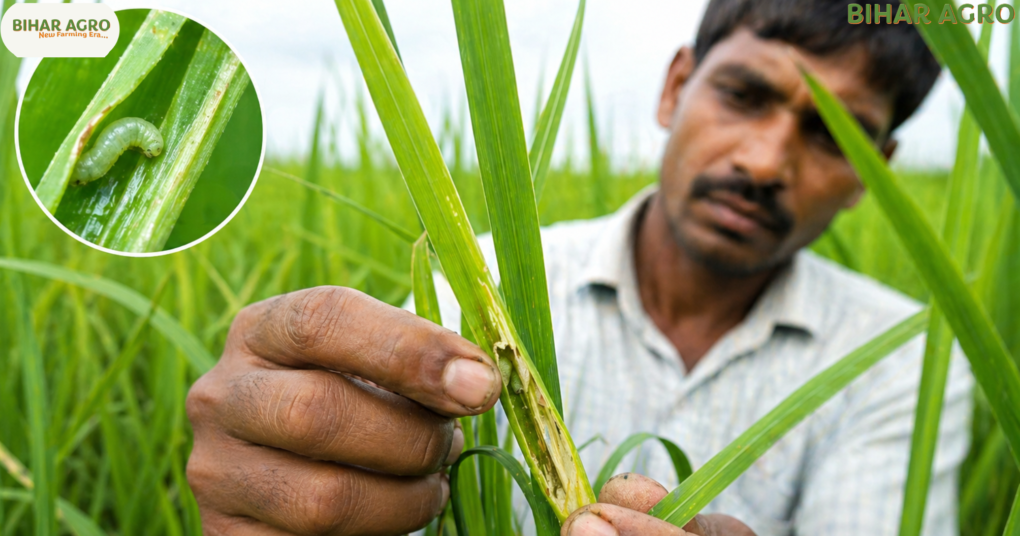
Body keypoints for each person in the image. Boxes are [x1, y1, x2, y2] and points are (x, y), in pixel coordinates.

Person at [184, 0, 974, 534]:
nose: (765, 160)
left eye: (833, 132)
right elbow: (350, 474)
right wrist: (285, 461)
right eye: (743, 93)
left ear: (877, 168)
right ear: (674, 88)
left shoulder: (902, 357)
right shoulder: (482, 285)